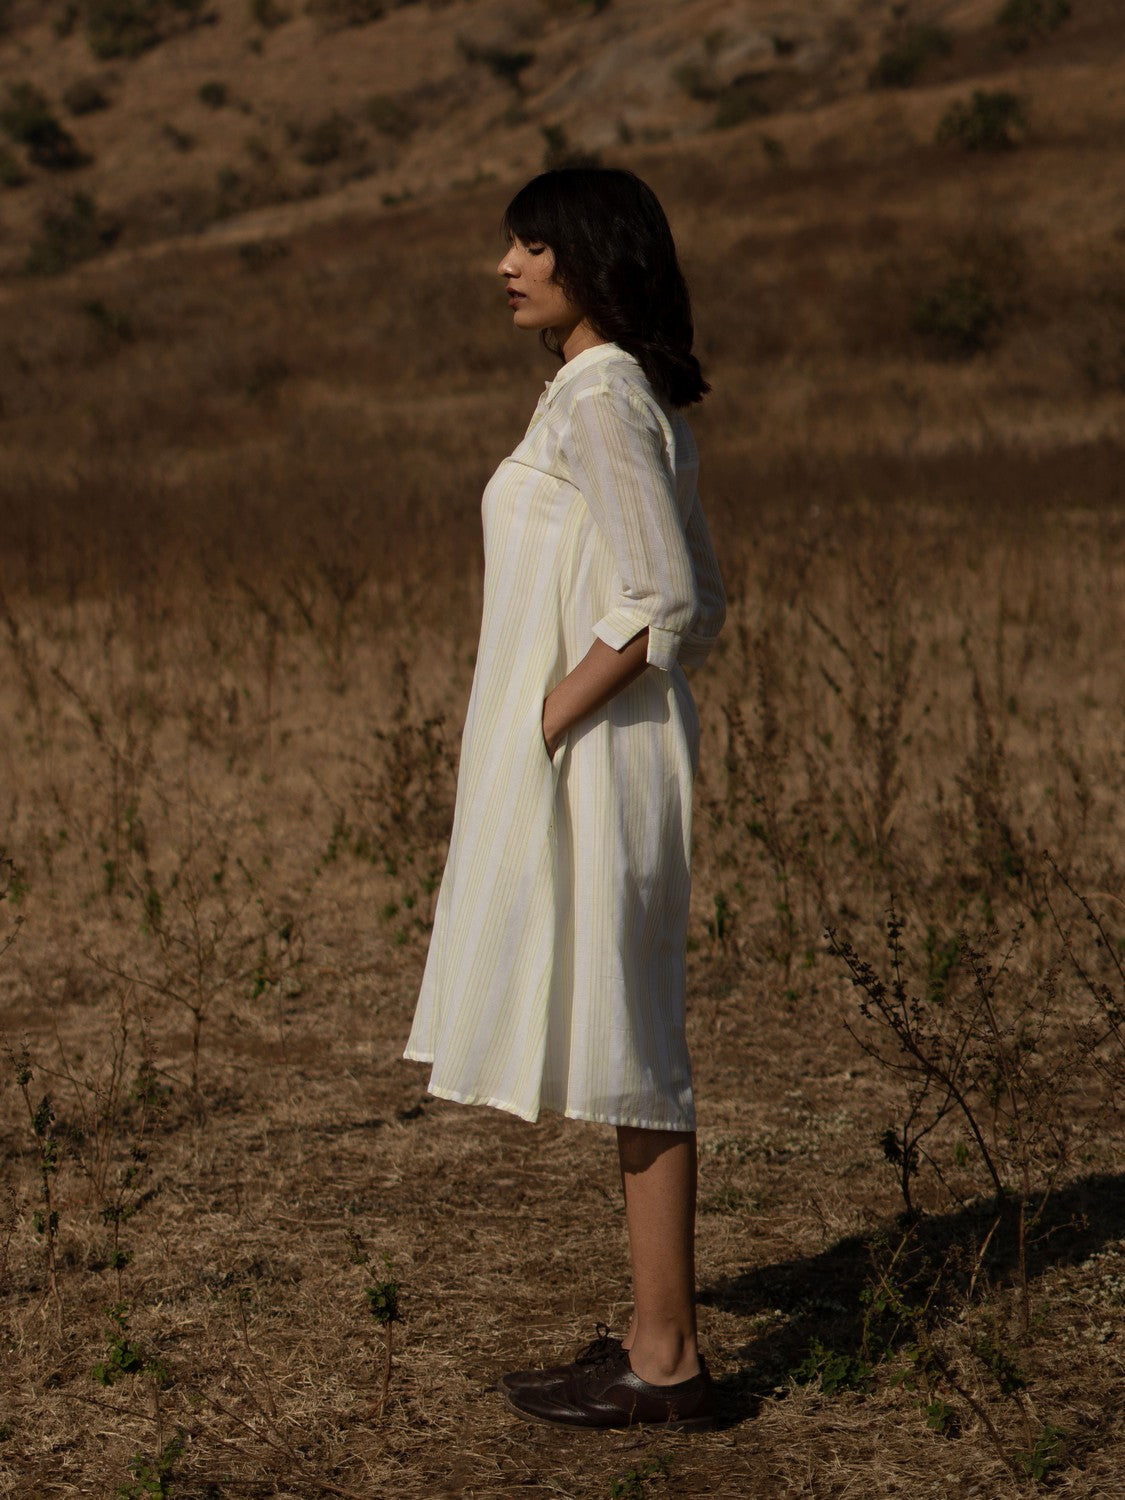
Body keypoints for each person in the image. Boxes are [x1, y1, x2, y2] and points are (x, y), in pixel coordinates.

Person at [404, 166, 726, 1430]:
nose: (508, 264)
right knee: (620, 1031)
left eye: (533, 243)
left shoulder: (601, 396)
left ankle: (669, 1361)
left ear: (592, 257)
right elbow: (704, 585)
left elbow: (669, 599)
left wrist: (541, 719)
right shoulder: (615, 394)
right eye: (510, 243)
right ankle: (661, 1342)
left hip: (600, 745)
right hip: (620, 740)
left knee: (634, 1042)